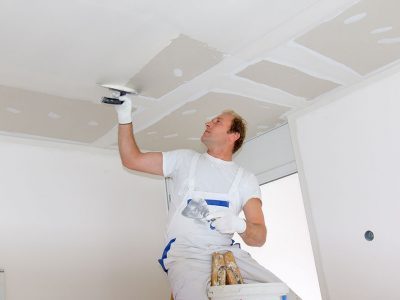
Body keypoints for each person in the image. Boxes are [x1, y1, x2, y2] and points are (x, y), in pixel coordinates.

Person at [115, 96, 300, 300]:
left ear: (234, 135)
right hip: (187, 254)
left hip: (228, 253)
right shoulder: (184, 160)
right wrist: (124, 117)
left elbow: (259, 237)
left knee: (283, 295)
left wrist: (239, 225)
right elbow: (131, 159)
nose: (208, 123)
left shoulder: (245, 179)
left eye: (217, 121)